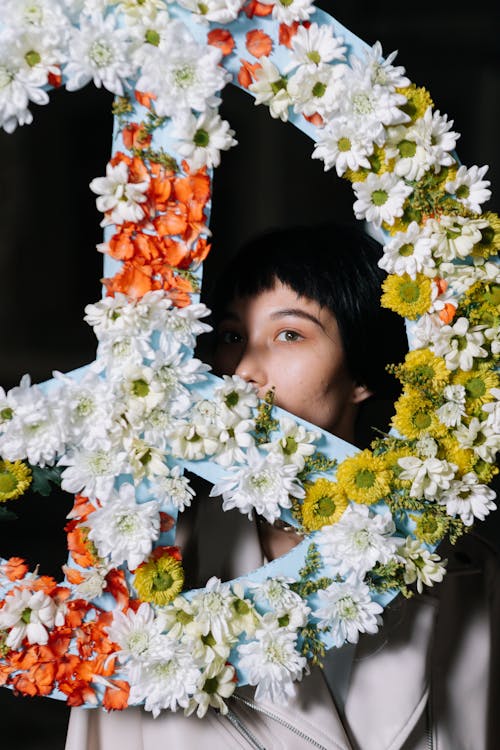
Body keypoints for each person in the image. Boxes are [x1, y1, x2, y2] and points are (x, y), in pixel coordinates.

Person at [65, 222, 499, 749]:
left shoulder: (471, 577)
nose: (245, 371)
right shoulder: (145, 582)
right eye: (231, 337)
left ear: (360, 372)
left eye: (289, 334)